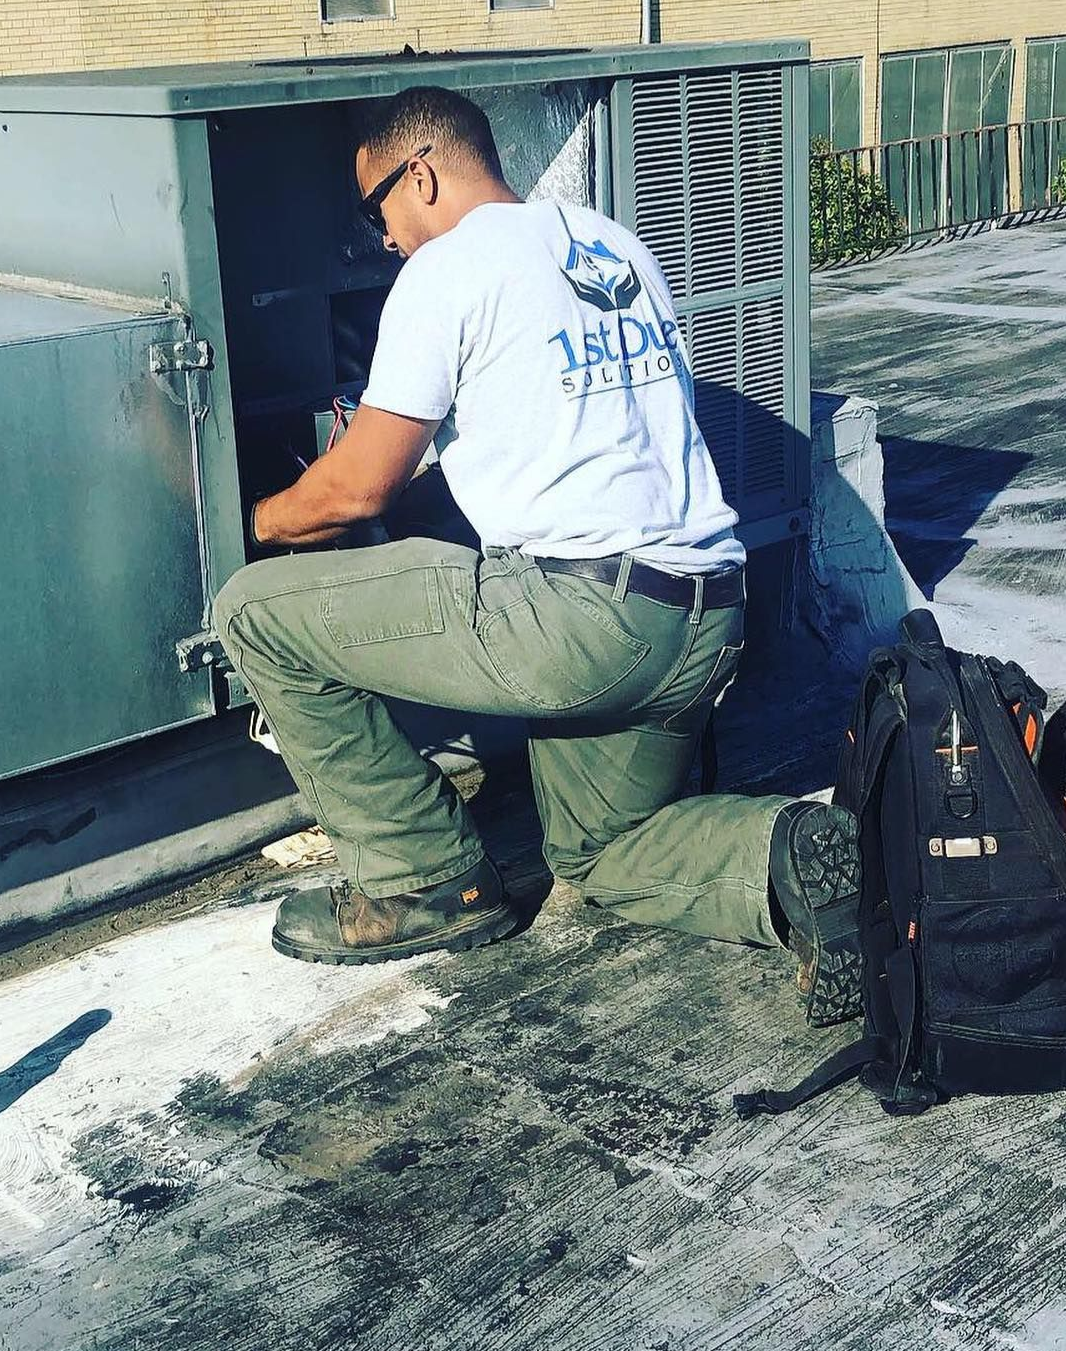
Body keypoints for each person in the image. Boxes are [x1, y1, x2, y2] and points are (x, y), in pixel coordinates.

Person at [212, 87, 863, 1027]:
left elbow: (358, 490)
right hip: (709, 612)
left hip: (584, 622)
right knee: (602, 854)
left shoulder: (444, 272)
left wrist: (259, 518)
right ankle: (792, 852)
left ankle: (422, 880)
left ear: (422, 173)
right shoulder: (611, 242)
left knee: (255, 610)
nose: (381, 237)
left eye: (377, 209)